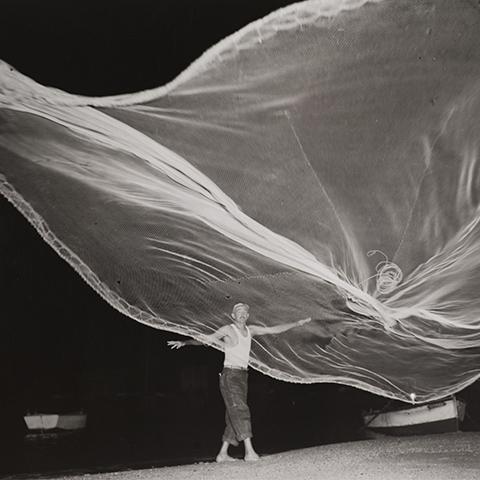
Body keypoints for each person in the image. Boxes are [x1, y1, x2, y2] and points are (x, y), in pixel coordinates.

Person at [168, 302, 311, 462]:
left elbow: (273, 329)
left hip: (243, 376)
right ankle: (249, 452)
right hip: (230, 376)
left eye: (244, 312)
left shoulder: (251, 330)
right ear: (233, 316)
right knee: (241, 410)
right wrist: (185, 343)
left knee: (232, 414)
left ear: (247, 316)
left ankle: (222, 454)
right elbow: (206, 340)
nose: (242, 314)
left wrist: (297, 323)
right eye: (238, 311)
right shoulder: (228, 329)